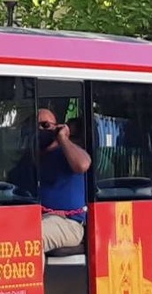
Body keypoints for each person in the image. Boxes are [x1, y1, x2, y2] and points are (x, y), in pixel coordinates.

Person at [9, 107, 92, 253]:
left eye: (45, 125)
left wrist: (63, 138)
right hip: (33, 220)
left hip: (69, 224)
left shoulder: (68, 153)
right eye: (34, 126)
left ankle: (32, 277)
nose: (39, 129)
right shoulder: (27, 162)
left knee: (32, 238)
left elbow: (82, 164)